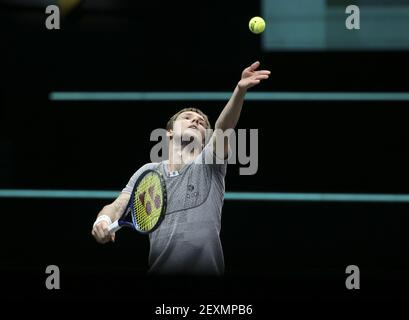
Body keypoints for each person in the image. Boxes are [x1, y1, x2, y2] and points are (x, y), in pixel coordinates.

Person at [91, 61, 270, 275]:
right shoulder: (148, 172)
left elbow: (224, 128)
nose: (195, 121)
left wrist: (239, 91)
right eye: (187, 118)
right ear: (168, 132)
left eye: (202, 122)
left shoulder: (210, 163)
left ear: (205, 139)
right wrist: (103, 220)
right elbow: (118, 205)